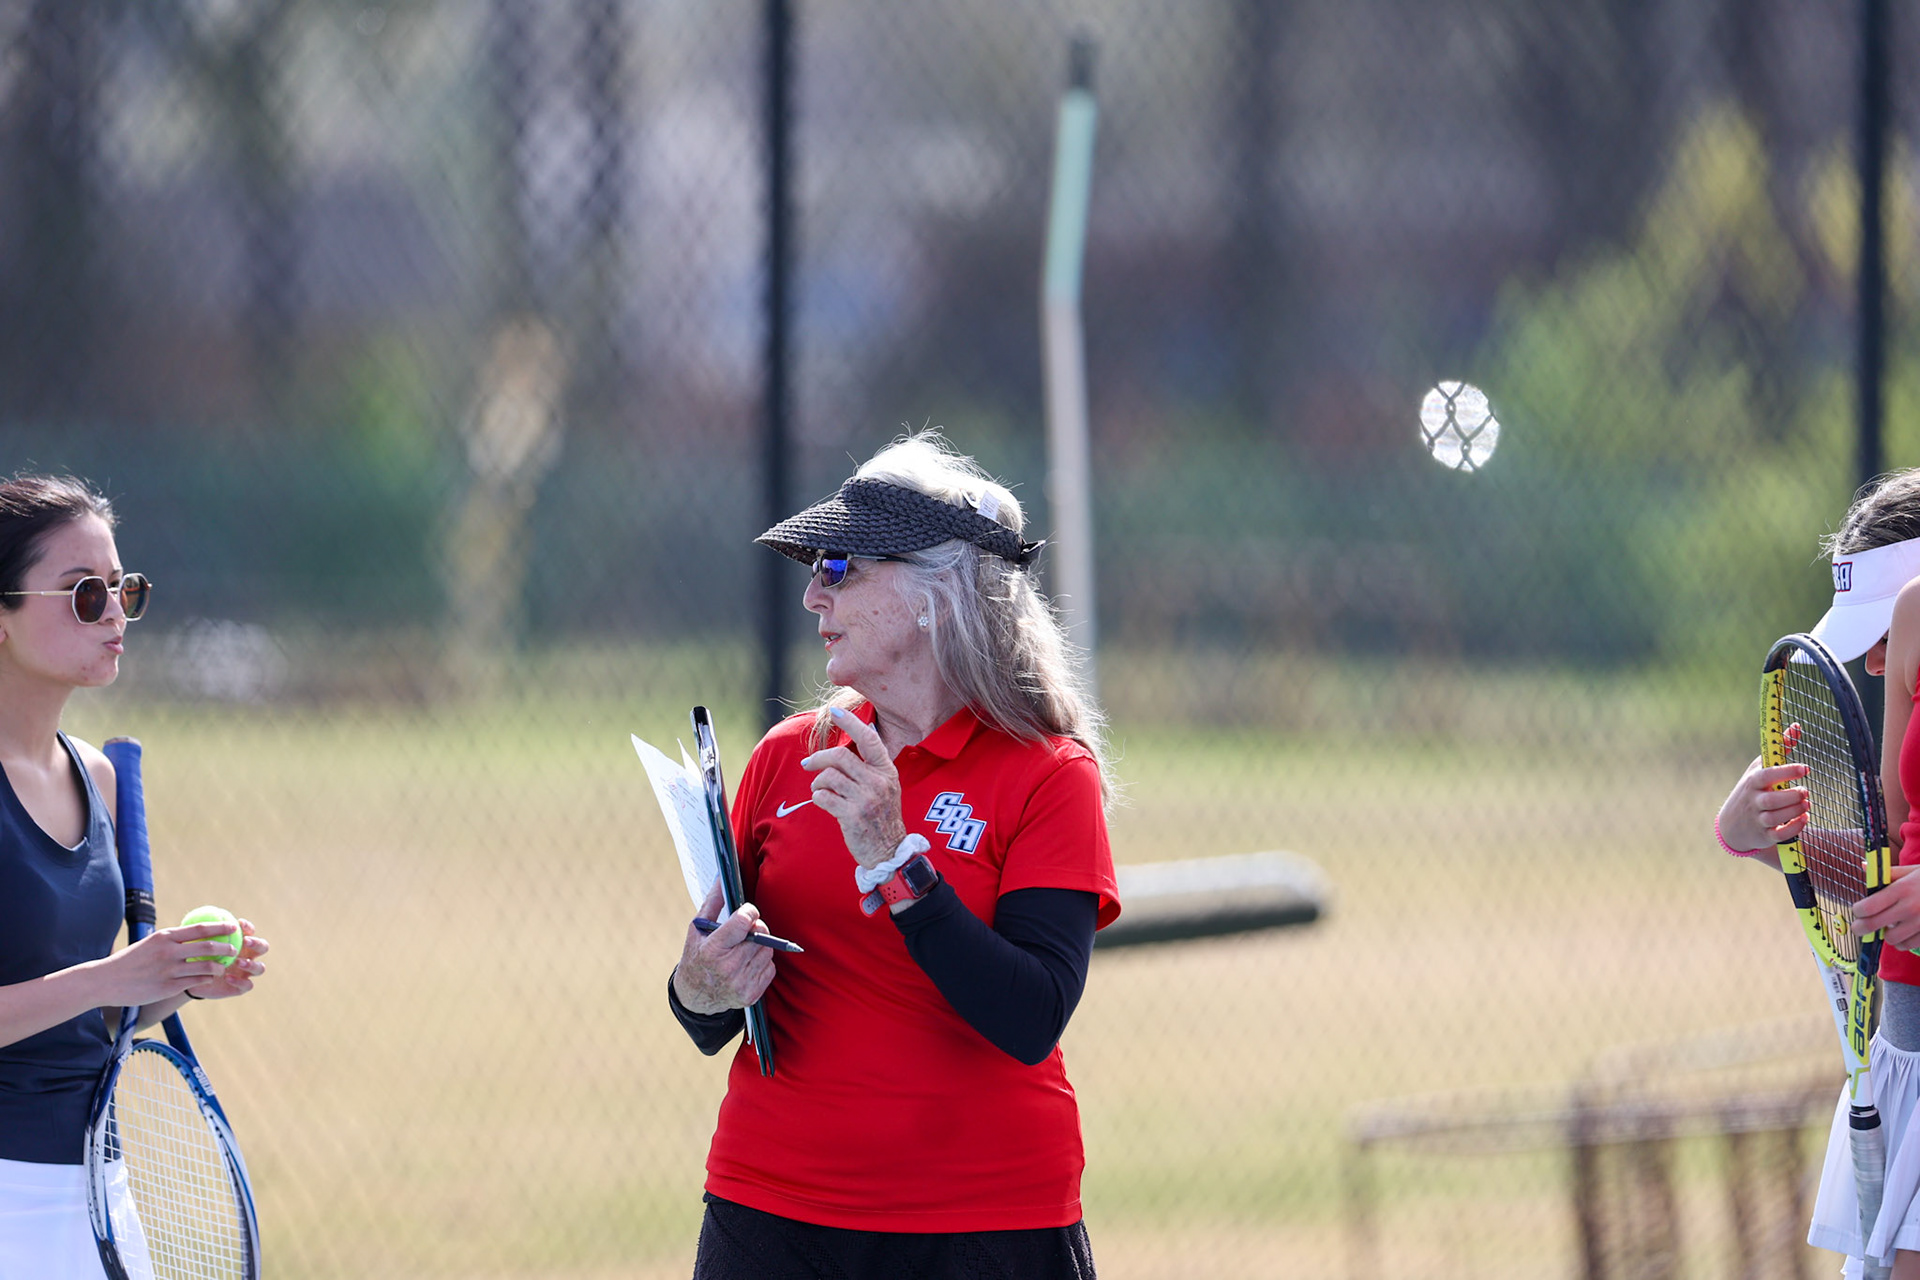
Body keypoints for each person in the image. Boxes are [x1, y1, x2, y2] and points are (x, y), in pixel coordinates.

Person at [668, 434, 1120, 1279]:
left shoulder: (1049, 774)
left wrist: (894, 859)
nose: (813, 594)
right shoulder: (787, 757)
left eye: (840, 567)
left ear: (931, 597)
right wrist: (699, 983)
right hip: (772, 1209)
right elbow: (710, 1019)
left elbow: (1031, 1018)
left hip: (985, 1223)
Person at [0, 474, 270, 1272]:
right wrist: (112, 976)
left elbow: (90, 1016)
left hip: (100, 1192)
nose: (116, 612)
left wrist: (174, 981)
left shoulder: (101, 777)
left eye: (126, 589)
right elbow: (92, 986)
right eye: (85, 593)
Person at [1716, 469, 1920, 1277]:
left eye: (1875, 634)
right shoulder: (1914, 629)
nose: (1872, 664)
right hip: (1902, 1062)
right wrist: (1768, 841)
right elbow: (1892, 860)